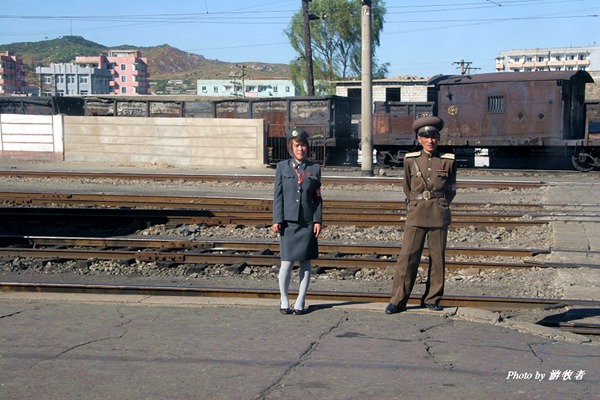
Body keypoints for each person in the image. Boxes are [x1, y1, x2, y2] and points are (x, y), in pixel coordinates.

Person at [385, 116, 457, 314]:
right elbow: (407, 187)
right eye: (426, 136)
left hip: (438, 212)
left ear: (438, 138)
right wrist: (417, 202)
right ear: (419, 139)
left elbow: (451, 188)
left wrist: (440, 203)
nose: (430, 140)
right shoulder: (411, 160)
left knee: (437, 258)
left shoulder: (448, 160)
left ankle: (432, 298)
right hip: (416, 213)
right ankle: (398, 300)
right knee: (407, 257)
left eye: (433, 136)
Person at [273, 128, 323, 315]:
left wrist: (318, 220)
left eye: (302, 145)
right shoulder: (282, 167)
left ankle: (300, 300)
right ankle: (284, 298)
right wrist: (277, 219)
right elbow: (277, 196)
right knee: (286, 262)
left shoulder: (314, 168)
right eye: (296, 145)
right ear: (290, 147)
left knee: (305, 263)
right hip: (288, 222)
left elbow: (317, 197)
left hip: (307, 222)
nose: (300, 149)